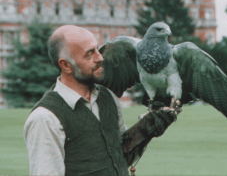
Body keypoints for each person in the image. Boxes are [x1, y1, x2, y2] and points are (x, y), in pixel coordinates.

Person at [24, 25, 177, 176]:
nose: (100, 57)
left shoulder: (108, 97)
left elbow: (118, 160)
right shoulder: (45, 118)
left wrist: (144, 130)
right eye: (89, 54)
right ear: (66, 65)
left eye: (97, 49)